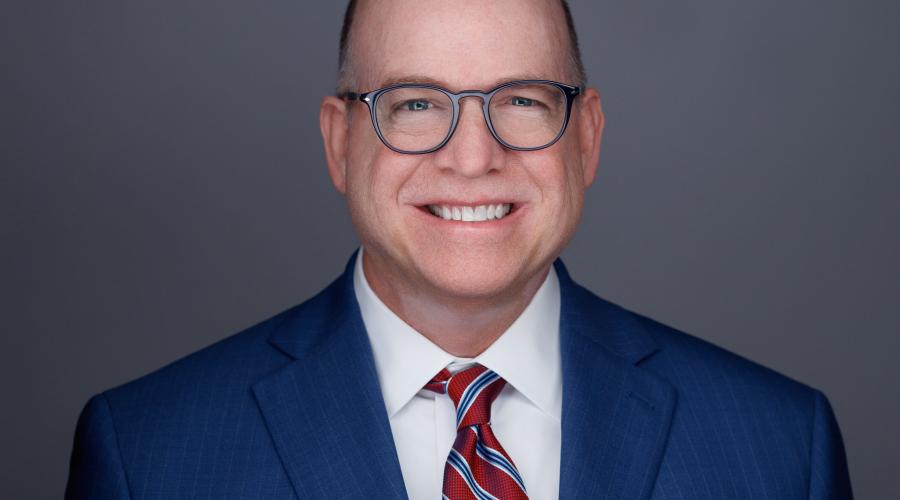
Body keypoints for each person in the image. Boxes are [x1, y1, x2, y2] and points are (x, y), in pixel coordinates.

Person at [66, 0, 853, 498]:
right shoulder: (148, 454)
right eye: (413, 104)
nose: (472, 157)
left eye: (520, 100)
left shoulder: (782, 448)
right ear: (340, 146)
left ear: (587, 139)